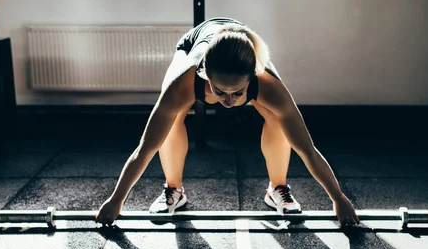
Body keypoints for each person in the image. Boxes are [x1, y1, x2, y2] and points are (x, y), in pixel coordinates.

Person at [96, 17, 359, 227]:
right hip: (193, 44)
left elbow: (307, 149)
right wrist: (116, 201)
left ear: (251, 79)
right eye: (220, 92)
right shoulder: (184, 83)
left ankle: (277, 188)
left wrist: (339, 199)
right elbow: (146, 149)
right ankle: (173, 190)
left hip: (238, 48)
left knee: (276, 117)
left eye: (237, 93)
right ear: (205, 76)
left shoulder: (269, 85)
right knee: (172, 118)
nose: (229, 102)